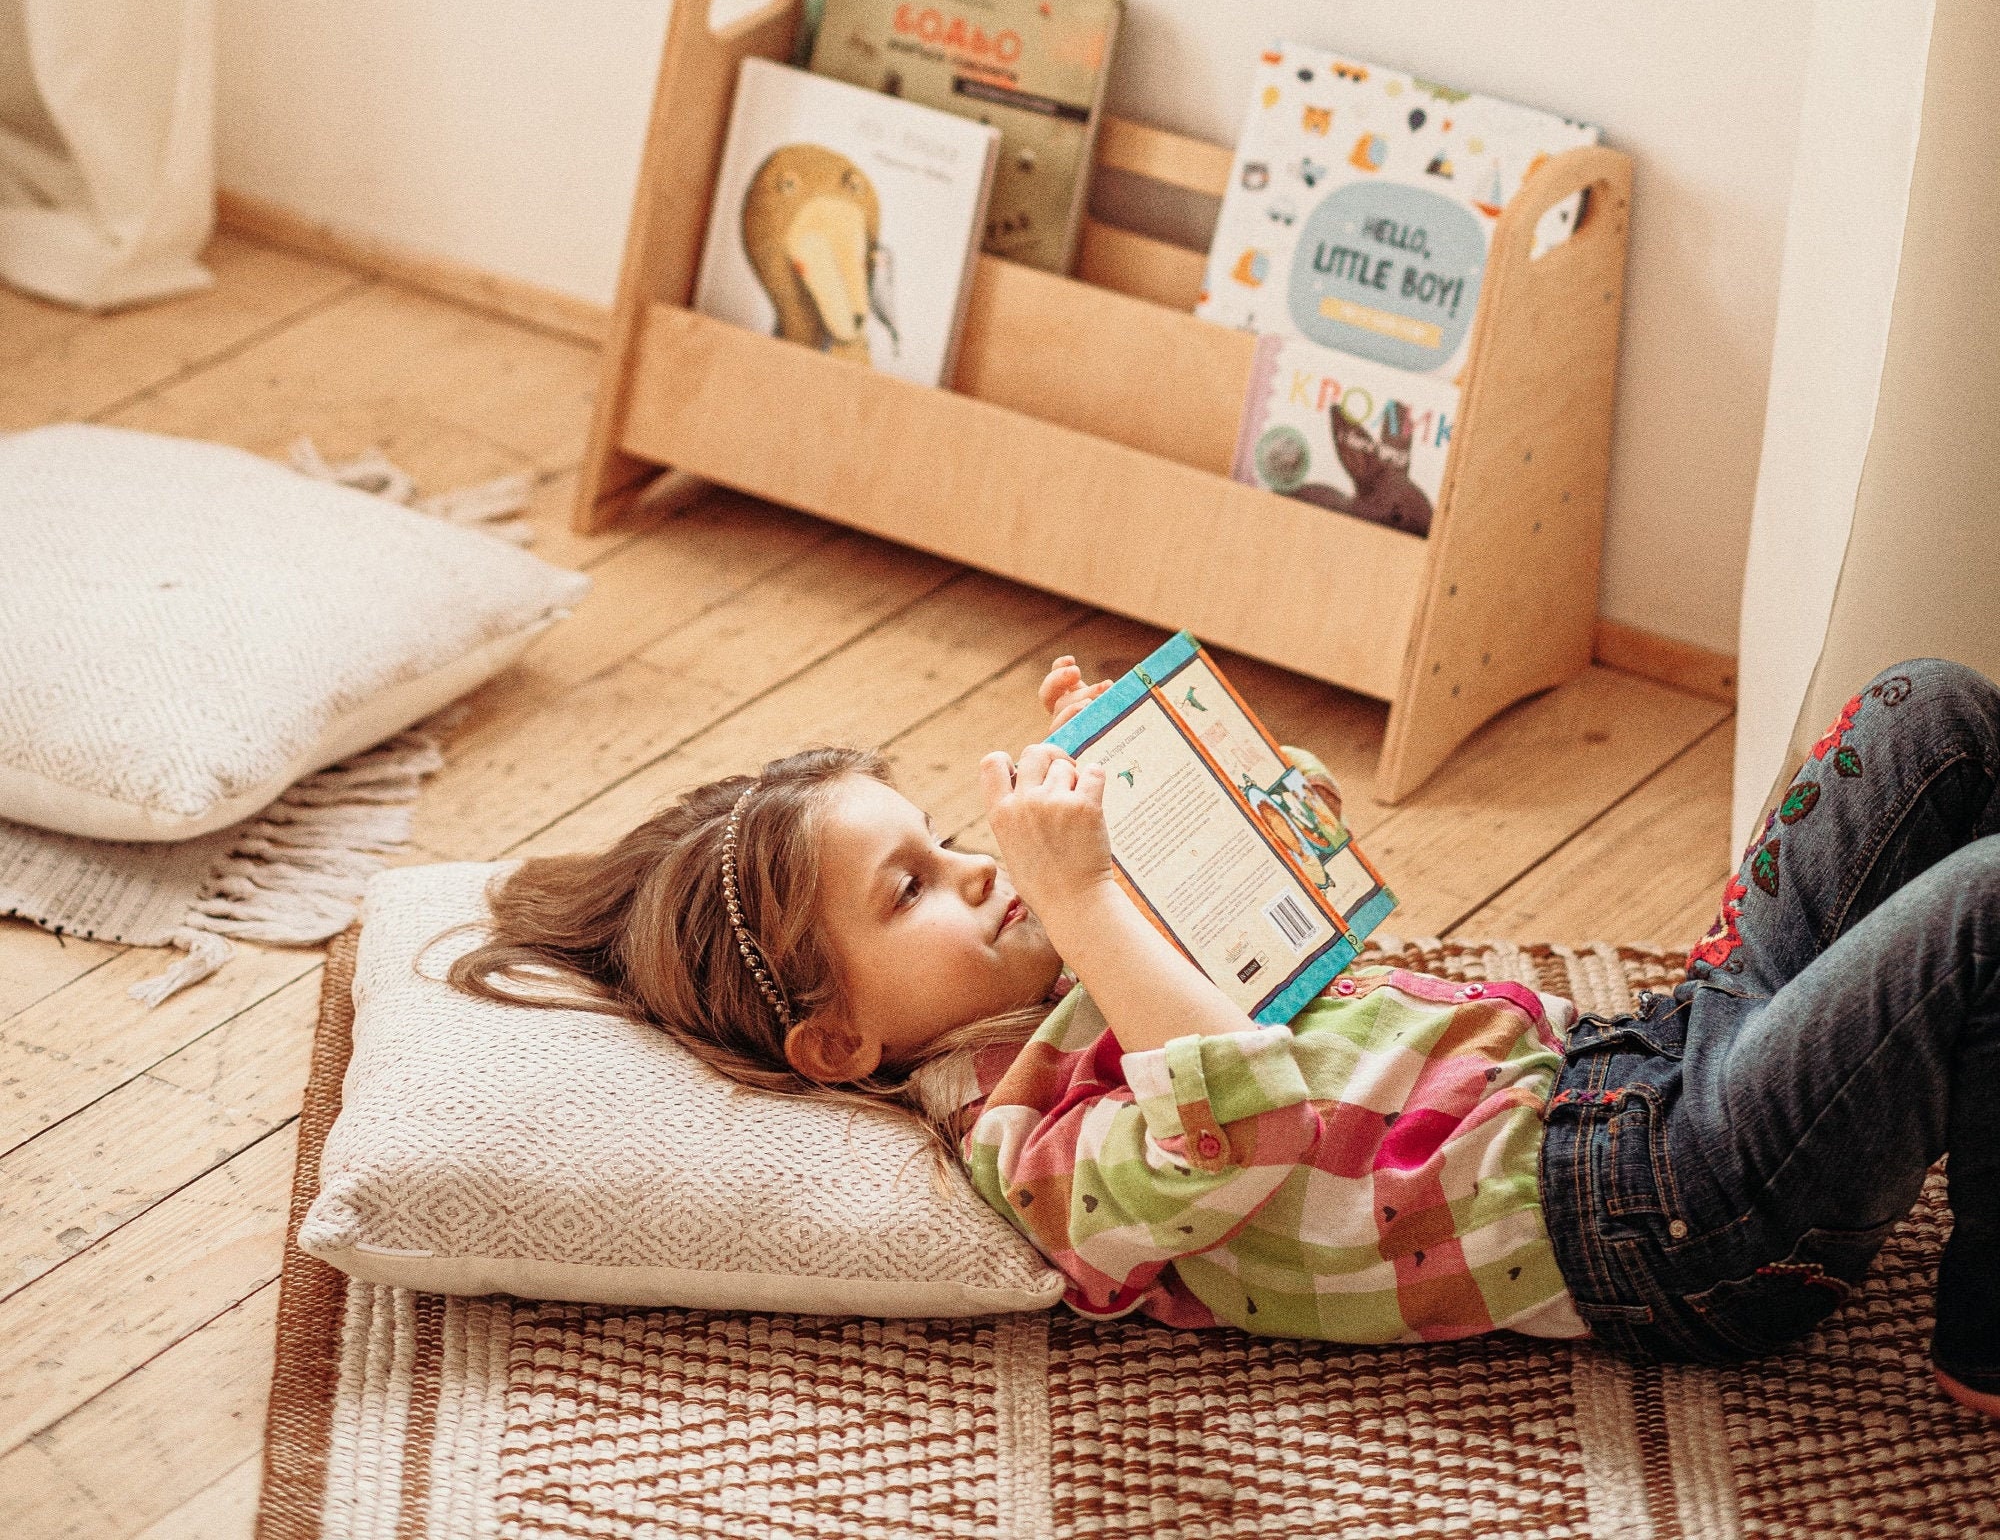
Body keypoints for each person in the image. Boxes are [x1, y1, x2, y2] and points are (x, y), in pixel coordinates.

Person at [449, 652, 2000, 1410]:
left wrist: (1238, 822)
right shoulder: (1021, 1144)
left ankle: (1905, 1046)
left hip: (1636, 1059)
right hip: (1673, 1215)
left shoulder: (1077, 959)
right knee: (1988, 914)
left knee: (1932, 718)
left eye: (941, 834)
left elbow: (1318, 961)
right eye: (910, 888)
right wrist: (1090, 899)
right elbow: (1240, 1120)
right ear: (840, 1045)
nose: (977, 869)